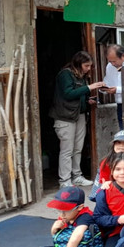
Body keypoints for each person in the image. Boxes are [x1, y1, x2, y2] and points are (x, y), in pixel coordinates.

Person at [49, 51, 105, 187]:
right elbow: (68, 94)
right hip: (64, 117)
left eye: (90, 66)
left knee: (78, 148)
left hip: (78, 115)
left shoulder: (80, 76)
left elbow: (77, 95)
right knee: (67, 150)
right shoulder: (65, 74)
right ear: (78, 64)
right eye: (86, 66)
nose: (88, 69)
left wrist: (87, 100)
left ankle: (77, 176)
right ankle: (65, 181)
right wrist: (89, 87)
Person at [36, 186, 103, 247]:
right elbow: (58, 241)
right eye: (59, 209)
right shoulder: (65, 216)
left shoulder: (85, 217)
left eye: (66, 210)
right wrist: (53, 230)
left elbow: (75, 239)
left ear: (79, 207)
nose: (62, 214)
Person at [89, 129, 124, 202]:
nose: (121, 146)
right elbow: (104, 182)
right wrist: (107, 183)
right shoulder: (106, 162)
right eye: (118, 142)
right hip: (114, 191)